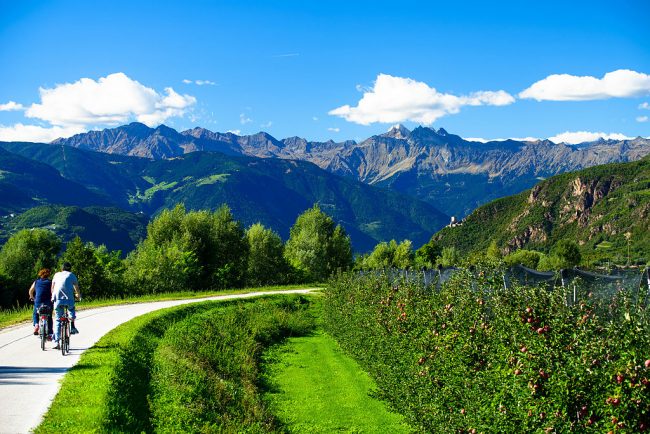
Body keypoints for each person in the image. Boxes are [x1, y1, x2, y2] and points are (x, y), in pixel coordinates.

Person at [51, 262, 81, 349]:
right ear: (70, 269)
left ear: (62, 268)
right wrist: (78, 296)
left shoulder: (56, 275)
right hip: (69, 299)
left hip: (57, 299)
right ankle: (72, 326)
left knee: (57, 320)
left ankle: (56, 342)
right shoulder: (71, 275)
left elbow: (52, 287)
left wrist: (52, 297)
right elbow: (76, 287)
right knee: (71, 309)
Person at [28, 268, 53, 338]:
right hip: (48, 302)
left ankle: (36, 324)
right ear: (48, 275)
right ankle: (50, 333)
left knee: (35, 313)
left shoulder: (36, 282)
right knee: (49, 316)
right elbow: (53, 291)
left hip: (38, 301)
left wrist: (32, 297)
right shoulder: (50, 282)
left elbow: (30, 291)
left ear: (40, 274)